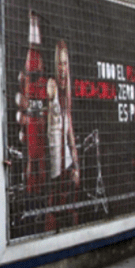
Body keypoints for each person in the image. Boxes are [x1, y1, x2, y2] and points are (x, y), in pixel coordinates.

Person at [45, 40, 80, 230]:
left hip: (65, 164)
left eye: (65, 63)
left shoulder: (67, 93)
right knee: (52, 212)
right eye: (59, 63)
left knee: (71, 210)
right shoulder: (52, 85)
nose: (62, 68)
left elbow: (70, 131)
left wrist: (76, 163)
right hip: (53, 168)